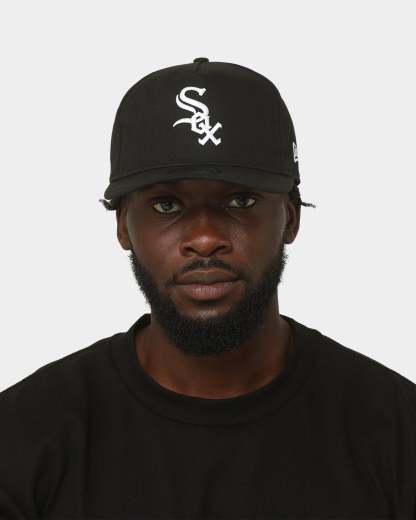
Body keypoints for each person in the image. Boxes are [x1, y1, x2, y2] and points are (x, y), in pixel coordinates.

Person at [1, 57, 415, 520]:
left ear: (290, 218)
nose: (203, 238)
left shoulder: (396, 431)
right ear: (123, 227)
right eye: (166, 205)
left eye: (240, 200)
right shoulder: (24, 436)